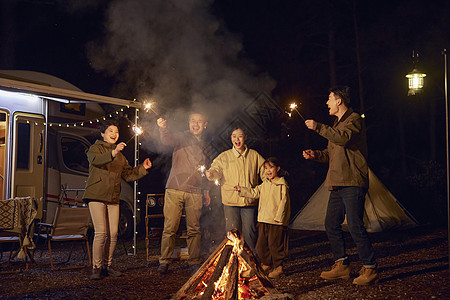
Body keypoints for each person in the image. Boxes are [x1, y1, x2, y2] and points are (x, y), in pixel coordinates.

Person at [302, 86, 378, 285]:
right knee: (331, 223)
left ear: (339, 101)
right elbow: (331, 154)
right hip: (337, 182)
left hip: (352, 181)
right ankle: (342, 264)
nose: (326, 103)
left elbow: (342, 139)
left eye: (329, 99)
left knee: (354, 225)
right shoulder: (336, 123)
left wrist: (318, 127)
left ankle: (370, 267)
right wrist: (316, 155)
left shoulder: (354, 120)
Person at [83, 119, 152, 280]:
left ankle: (108, 266)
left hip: (113, 196)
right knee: (101, 232)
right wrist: (113, 153)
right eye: (110, 131)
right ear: (103, 134)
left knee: (113, 233)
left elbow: (128, 174)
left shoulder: (120, 156)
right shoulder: (95, 148)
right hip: (96, 195)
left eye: (116, 132)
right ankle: (96, 267)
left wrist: (143, 168)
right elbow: (96, 161)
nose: (114, 134)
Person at [157, 112, 211, 274]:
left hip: (195, 191)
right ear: (189, 123)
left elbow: (206, 169)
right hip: (175, 188)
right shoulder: (181, 137)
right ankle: (164, 261)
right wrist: (163, 128)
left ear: (205, 124)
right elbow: (167, 139)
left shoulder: (207, 145)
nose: (196, 124)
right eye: (193, 121)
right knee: (170, 227)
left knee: (194, 228)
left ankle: (193, 260)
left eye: (199, 121)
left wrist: (206, 191)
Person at [205, 127, 265, 253]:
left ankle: (250, 262)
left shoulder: (254, 156)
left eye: (240, 136)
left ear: (245, 137)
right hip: (230, 202)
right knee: (233, 234)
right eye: (234, 136)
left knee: (250, 234)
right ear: (231, 138)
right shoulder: (224, 156)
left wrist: (264, 188)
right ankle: (234, 261)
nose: (237, 139)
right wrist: (211, 174)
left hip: (248, 202)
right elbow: (216, 171)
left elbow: (266, 174)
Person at [234, 157, 290, 279]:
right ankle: (266, 264)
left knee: (274, 245)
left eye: (271, 167)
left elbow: (284, 202)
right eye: (265, 168)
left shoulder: (281, 184)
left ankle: (279, 268)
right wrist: (241, 190)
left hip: (275, 221)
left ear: (278, 168)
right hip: (263, 219)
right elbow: (254, 193)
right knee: (261, 245)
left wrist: (279, 218)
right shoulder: (265, 184)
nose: (268, 171)